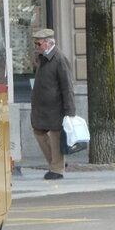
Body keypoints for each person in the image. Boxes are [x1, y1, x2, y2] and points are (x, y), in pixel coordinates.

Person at [30, 28, 76, 180]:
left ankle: (57, 169)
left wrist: (69, 111)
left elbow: (67, 86)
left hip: (56, 107)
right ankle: (57, 162)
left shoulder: (59, 58)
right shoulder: (42, 58)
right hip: (42, 107)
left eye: (39, 44)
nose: (36, 47)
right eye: (35, 44)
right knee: (39, 132)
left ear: (49, 43)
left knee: (56, 136)